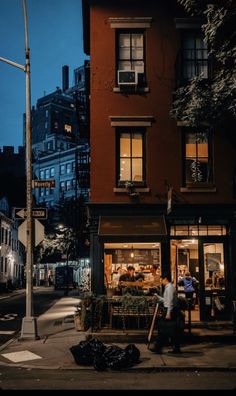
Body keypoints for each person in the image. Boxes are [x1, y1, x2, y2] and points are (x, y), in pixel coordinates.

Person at [150, 273, 182, 354]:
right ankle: (173, 347)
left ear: (165, 279)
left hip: (171, 311)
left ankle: (158, 347)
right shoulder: (169, 287)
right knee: (170, 330)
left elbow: (170, 302)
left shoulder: (169, 288)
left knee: (163, 328)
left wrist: (168, 313)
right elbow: (166, 300)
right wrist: (158, 297)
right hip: (171, 310)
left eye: (162, 279)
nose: (161, 281)